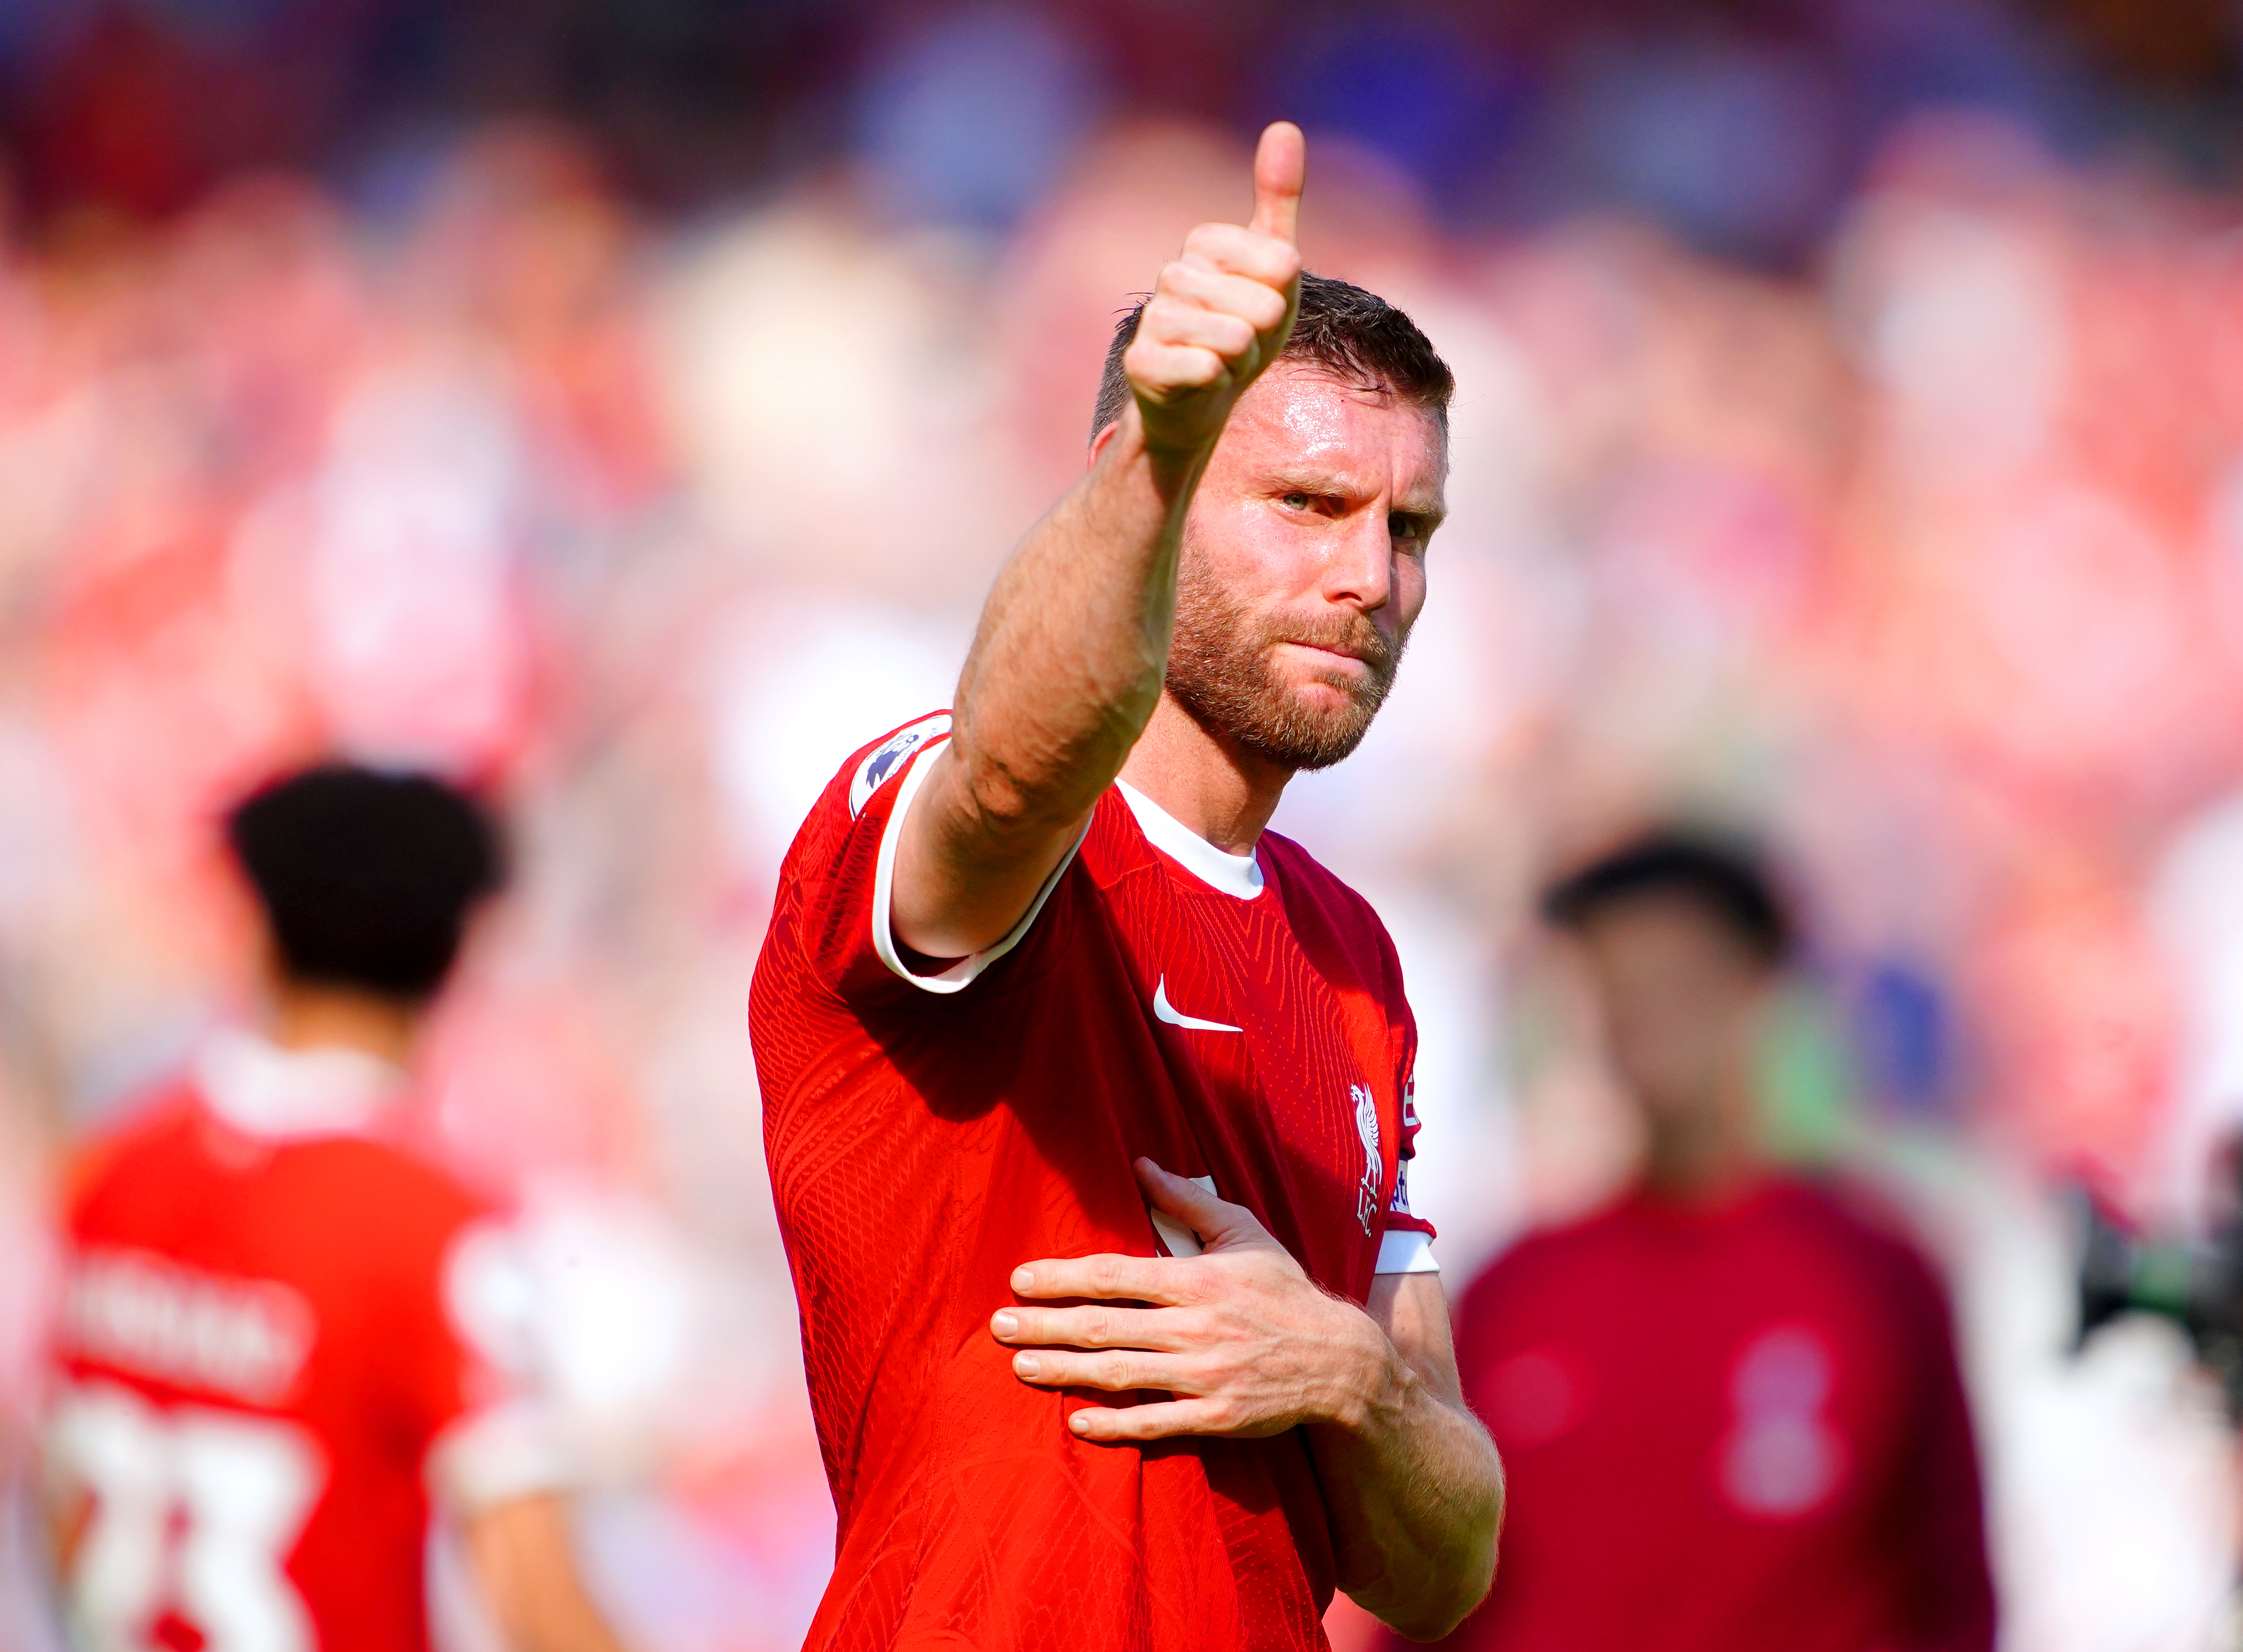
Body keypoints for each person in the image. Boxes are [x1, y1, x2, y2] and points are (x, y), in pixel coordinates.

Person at [748, 122, 1502, 1651]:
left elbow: (1441, 1570)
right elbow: (1019, 768)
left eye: (1405, 526)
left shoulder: (1352, 960)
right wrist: (1159, 454)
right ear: (1144, 489)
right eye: (1304, 504)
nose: (1371, 579)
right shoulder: (957, 813)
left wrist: (1340, 1369)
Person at [42, 766, 629, 1652]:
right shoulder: (431, 1231)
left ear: (261, 932)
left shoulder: (112, 1173)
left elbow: (65, 1507)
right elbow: (536, 1607)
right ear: (453, 952)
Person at [1414, 833, 1996, 1652]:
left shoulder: (1876, 1278)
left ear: (1757, 988)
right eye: (1620, 987)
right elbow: (1427, 1589)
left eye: (1678, 983)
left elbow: (1953, 1594)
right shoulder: (1514, 1292)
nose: (1647, 1018)